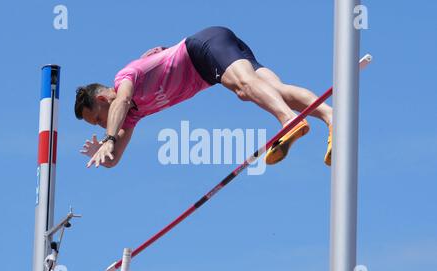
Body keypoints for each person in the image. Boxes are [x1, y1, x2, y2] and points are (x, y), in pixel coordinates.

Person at [74, 26, 333, 168]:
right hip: (212, 60)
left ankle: (289, 120)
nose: (101, 125)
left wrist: (109, 137)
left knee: (244, 86)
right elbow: (115, 158)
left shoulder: (123, 80)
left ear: (102, 100)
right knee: (274, 90)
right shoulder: (133, 115)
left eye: (97, 119)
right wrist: (105, 151)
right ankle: (332, 118)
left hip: (204, 49)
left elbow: (121, 102)